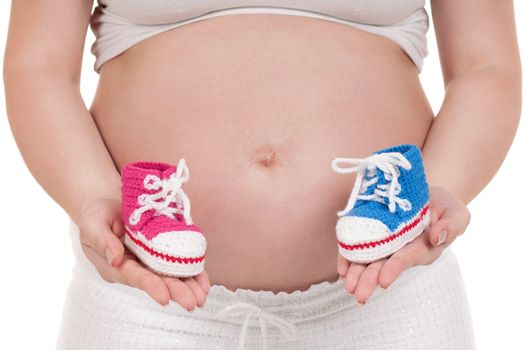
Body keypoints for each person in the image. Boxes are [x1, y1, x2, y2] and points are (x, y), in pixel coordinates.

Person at [3, 0, 521, 349]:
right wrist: (91, 195)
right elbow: (39, 64)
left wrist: (439, 189)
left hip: (393, 294)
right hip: (143, 298)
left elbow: (486, 66)